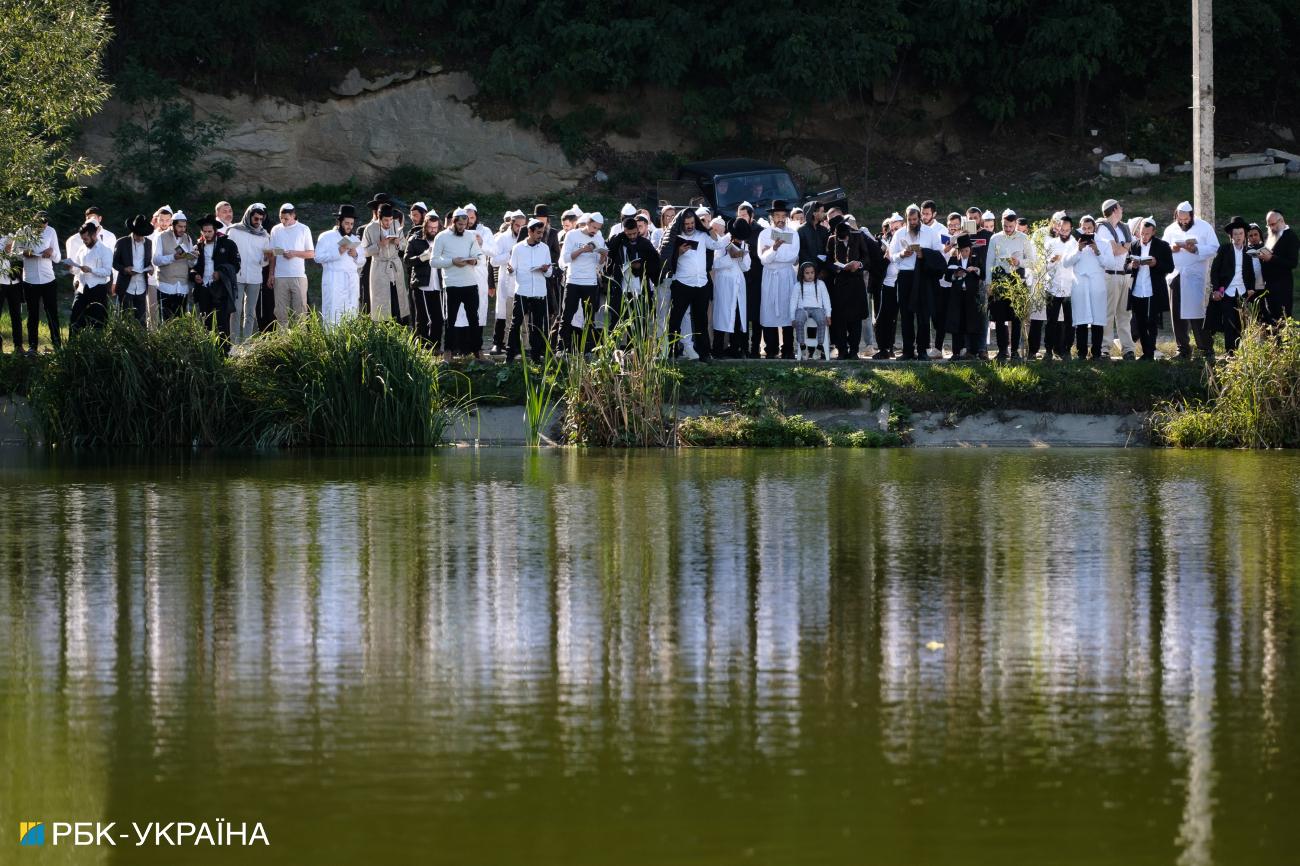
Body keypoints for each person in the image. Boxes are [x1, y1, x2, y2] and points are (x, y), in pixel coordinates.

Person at [664, 208, 725, 361]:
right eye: (686, 224)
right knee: (675, 319)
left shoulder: (702, 235)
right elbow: (666, 259)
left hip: (701, 284)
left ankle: (704, 354)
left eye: (692, 223)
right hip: (682, 284)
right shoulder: (676, 237)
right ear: (682, 224)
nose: (690, 226)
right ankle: (673, 351)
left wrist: (708, 228)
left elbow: (717, 244)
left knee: (701, 321)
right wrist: (679, 252)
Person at [1162, 201, 1220, 359]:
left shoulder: (1204, 227)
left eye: (1186, 219)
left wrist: (1196, 249)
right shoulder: (1171, 229)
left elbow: (1215, 248)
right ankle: (1183, 349)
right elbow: (1162, 249)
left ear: (1192, 216)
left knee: (1197, 314)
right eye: (1180, 219)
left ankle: (1206, 349)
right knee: (1177, 315)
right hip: (1176, 275)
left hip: (1195, 276)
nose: (1183, 222)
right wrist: (1171, 249)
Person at [431, 207, 483, 359]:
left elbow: (478, 255)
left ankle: (478, 352)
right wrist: (452, 261)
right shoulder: (441, 237)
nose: (462, 227)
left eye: (465, 225)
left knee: (474, 319)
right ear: (453, 222)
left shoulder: (470, 236)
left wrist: (473, 260)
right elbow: (434, 261)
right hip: (452, 284)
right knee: (450, 320)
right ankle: (448, 352)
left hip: (470, 283)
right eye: (459, 224)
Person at [887, 205, 936, 360]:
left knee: (923, 314)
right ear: (906, 218)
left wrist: (924, 254)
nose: (913, 222)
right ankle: (908, 350)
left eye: (915, 219)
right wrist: (902, 254)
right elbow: (892, 255)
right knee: (906, 314)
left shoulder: (930, 232)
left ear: (920, 217)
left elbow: (938, 252)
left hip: (923, 275)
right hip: (906, 276)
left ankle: (922, 350)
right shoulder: (900, 233)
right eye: (910, 220)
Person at [985, 209, 1032, 360]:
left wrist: (1019, 262)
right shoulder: (995, 238)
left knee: (1016, 317)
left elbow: (1032, 260)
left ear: (1015, 224)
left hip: (1016, 278)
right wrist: (988, 283)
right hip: (999, 277)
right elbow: (989, 262)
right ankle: (1002, 350)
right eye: (1005, 226)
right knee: (999, 317)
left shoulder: (1023, 238)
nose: (1008, 229)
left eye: (1011, 226)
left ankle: (1015, 351)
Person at [190, 214, 241, 350]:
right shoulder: (197, 247)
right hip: (203, 288)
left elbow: (236, 265)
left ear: (215, 231)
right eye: (204, 232)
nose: (207, 234)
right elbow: (192, 268)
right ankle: (209, 352)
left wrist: (221, 273)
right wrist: (195, 275)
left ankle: (225, 352)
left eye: (209, 231)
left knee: (222, 322)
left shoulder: (228, 244)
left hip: (221, 288)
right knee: (206, 321)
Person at [757, 200, 801, 359]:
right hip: (770, 276)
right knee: (769, 311)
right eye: (777, 216)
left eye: (783, 216)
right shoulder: (764, 234)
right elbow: (763, 259)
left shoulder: (793, 234)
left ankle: (788, 349)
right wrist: (774, 249)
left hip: (786, 276)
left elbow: (792, 257)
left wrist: (772, 253)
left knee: (787, 311)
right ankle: (771, 349)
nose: (780, 219)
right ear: (772, 217)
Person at [606, 216, 662, 339]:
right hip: (622, 287)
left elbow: (654, 263)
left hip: (639, 287)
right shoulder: (619, 241)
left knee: (639, 321)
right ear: (624, 231)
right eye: (629, 234)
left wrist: (642, 266)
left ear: (638, 230)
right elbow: (609, 255)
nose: (632, 236)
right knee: (617, 320)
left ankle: (636, 352)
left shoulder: (645, 243)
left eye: (634, 233)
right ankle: (614, 350)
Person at [559, 212, 608, 351]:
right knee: (567, 314)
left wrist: (603, 256)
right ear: (587, 223)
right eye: (593, 227)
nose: (595, 231)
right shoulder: (572, 235)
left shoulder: (598, 237)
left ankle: (587, 349)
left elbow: (600, 264)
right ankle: (562, 347)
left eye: (598, 228)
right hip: (573, 280)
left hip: (591, 282)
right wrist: (582, 250)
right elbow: (566, 258)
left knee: (590, 318)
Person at [1127, 217, 1174, 361]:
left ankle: (1150, 352)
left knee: (1151, 321)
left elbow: (1170, 267)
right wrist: (1132, 266)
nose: (1144, 236)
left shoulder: (1162, 246)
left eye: (1147, 234)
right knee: (1140, 321)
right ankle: (1145, 352)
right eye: (1142, 233)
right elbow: (1126, 264)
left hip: (1153, 289)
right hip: (1137, 289)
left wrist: (1156, 264)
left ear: (1153, 232)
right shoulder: (1134, 245)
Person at [1206, 216, 1254, 357]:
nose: (1238, 237)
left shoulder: (1248, 252)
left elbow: (1250, 273)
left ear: (1244, 235)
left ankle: (1238, 351)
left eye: (1240, 234)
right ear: (1231, 236)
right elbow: (1215, 270)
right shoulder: (1225, 249)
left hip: (1242, 292)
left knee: (1241, 324)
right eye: (1235, 234)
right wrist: (1216, 289)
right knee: (1228, 323)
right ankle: (1230, 353)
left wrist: (1251, 287)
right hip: (1227, 291)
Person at [506, 219, 553, 363]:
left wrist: (545, 269)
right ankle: (510, 356)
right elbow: (512, 271)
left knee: (537, 325)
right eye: (538, 233)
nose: (540, 235)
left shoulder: (544, 248)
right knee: (516, 323)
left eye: (542, 232)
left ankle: (535, 356)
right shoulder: (518, 248)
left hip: (539, 292)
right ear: (530, 232)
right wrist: (511, 270)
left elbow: (549, 272)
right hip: (522, 291)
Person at [225, 203, 273, 343]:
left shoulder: (264, 235)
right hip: (237, 277)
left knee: (250, 312)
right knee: (236, 310)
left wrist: (266, 258)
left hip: (255, 277)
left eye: (260, 219)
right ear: (248, 216)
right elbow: (228, 252)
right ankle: (234, 343)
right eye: (255, 218)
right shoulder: (234, 231)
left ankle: (246, 343)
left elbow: (264, 262)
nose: (258, 222)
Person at [1096, 198, 1136, 359]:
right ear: (1114, 210)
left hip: (1125, 274)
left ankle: (1128, 349)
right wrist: (1126, 245)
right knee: (1108, 313)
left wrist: (1124, 245)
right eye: (1120, 207)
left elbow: (1128, 246)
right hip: (1110, 275)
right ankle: (1105, 348)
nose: (1122, 209)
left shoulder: (1123, 227)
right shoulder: (1102, 228)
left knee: (1125, 314)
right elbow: (1114, 250)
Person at [18, 211, 61, 353]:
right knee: (33, 314)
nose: (42, 228)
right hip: (30, 279)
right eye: (39, 225)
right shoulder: (24, 231)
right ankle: (32, 346)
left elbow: (58, 258)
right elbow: (13, 251)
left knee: (52, 313)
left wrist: (51, 251)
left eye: (44, 225)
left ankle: (57, 346)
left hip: (48, 278)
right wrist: (24, 252)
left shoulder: (51, 231)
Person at [1065, 215, 1107, 360]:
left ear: (1094, 228)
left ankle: (1096, 353)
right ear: (1080, 228)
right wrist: (1078, 250)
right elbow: (1065, 263)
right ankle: (1081, 353)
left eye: (1089, 228)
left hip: (1096, 286)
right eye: (1084, 228)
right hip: (1080, 285)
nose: (1087, 231)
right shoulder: (1072, 243)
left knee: (1097, 321)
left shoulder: (1103, 242)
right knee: (1081, 320)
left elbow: (1110, 264)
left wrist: (1097, 251)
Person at [827, 218, 869, 359]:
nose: (842, 239)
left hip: (856, 282)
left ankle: (854, 351)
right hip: (840, 284)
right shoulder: (832, 240)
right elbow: (828, 261)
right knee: (840, 320)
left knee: (855, 320)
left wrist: (859, 264)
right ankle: (842, 350)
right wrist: (838, 269)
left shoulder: (858, 237)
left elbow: (866, 256)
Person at [708, 216, 750, 357]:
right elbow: (715, 264)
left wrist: (741, 256)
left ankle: (735, 348)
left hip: (738, 283)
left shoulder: (744, 244)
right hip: (724, 283)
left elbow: (746, 267)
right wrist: (729, 257)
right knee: (723, 314)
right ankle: (718, 349)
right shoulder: (722, 242)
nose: (739, 241)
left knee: (738, 315)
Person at [317, 205, 366, 325]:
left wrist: (355, 254)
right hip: (334, 279)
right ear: (339, 222)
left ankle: (349, 341)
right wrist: (338, 251)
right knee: (333, 311)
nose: (349, 226)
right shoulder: (326, 237)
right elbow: (318, 257)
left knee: (351, 310)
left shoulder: (355, 239)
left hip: (351, 280)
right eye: (346, 223)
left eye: (351, 223)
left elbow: (362, 261)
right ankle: (332, 341)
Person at [363, 203, 410, 326]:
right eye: (385, 220)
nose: (388, 223)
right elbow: (364, 252)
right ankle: (383, 331)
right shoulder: (370, 228)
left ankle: (400, 327)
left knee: (398, 299)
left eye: (390, 219)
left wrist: (398, 242)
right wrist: (379, 245)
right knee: (381, 301)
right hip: (379, 267)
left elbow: (405, 245)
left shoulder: (396, 224)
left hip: (395, 266)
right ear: (379, 218)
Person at [268, 203, 313, 326]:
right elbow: (272, 254)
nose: (283, 221)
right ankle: (283, 341)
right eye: (280, 218)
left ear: (293, 216)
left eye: (286, 218)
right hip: (280, 276)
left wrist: (294, 253)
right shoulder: (276, 229)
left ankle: (300, 342)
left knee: (301, 313)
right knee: (281, 313)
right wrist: (271, 274)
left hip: (298, 276)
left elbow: (311, 253)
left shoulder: (304, 229)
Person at [404, 213, 445, 349]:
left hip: (438, 284)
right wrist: (422, 257)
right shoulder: (415, 240)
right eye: (430, 227)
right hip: (421, 284)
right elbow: (407, 261)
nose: (433, 230)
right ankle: (422, 349)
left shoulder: (442, 240)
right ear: (425, 227)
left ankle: (435, 348)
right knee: (422, 319)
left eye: (435, 227)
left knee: (438, 318)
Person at [67, 221, 115, 333]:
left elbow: (107, 271)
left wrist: (91, 270)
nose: (84, 241)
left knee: (98, 322)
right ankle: (72, 347)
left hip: (98, 290)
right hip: (82, 289)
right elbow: (77, 269)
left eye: (86, 239)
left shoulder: (105, 250)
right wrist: (71, 268)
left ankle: (96, 348)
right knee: (75, 319)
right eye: (82, 239)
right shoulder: (82, 249)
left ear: (94, 235)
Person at [945, 233, 986, 359]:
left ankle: (972, 351)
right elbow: (947, 276)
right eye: (962, 251)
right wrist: (955, 275)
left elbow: (983, 274)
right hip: (957, 296)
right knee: (957, 323)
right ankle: (956, 352)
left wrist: (976, 270)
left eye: (967, 250)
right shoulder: (954, 259)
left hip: (971, 296)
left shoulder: (975, 258)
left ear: (970, 249)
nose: (965, 253)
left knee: (972, 323)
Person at [490, 210, 525, 353]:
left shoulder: (527, 238)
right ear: (511, 224)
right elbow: (493, 261)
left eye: (523, 227)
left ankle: (518, 345)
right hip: (506, 281)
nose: (520, 229)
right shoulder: (502, 239)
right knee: (502, 312)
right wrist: (510, 254)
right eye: (517, 226)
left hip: (522, 281)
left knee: (520, 315)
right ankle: (498, 343)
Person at [1041, 213, 1076, 360]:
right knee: (1051, 321)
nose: (1064, 233)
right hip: (1053, 287)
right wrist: (1052, 260)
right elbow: (1045, 265)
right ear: (1058, 228)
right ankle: (1048, 350)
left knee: (1070, 322)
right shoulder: (1051, 243)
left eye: (1067, 230)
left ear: (1071, 229)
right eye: (1062, 230)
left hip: (1070, 288)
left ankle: (1067, 350)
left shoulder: (1075, 243)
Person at [65, 207, 116, 299]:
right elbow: (73, 266)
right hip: (81, 283)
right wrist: (70, 268)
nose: (91, 221)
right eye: (88, 218)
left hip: (103, 283)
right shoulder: (74, 240)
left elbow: (112, 264)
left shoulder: (110, 237)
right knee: (78, 311)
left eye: (94, 218)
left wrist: (115, 281)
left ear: (100, 219)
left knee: (99, 310)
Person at [112, 215, 153, 326]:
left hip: (141, 286)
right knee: (124, 318)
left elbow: (148, 262)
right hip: (126, 286)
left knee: (141, 320)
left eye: (142, 235)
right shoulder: (122, 242)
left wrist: (150, 268)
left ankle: (141, 342)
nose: (140, 237)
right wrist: (125, 269)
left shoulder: (149, 243)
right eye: (138, 234)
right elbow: (114, 263)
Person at [153, 210, 193, 321]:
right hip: (166, 285)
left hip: (182, 286)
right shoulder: (160, 237)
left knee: (180, 321)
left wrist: (194, 257)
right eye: (180, 226)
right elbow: (156, 260)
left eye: (184, 227)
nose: (182, 229)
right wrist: (173, 257)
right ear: (173, 225)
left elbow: (190, 263)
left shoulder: (188, 238)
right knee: (165, 321)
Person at [1259, 210, 1297, 324]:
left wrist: (1271, 258)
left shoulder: (1290, 237)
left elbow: (1292, 263)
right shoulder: (1271, 236)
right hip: (1269, 286)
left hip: (1282, 288)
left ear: (1281, 221)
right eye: (1268, 225)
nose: (1271, 228)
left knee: (1282, 320)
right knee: (1271, 321)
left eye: (1273, 224)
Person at [789, 261, 831, 361]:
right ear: (802, 274)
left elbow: (826, 300)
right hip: (802, 309)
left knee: (822, 320)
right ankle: (803, 347)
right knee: (799, 321)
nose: (810, 275)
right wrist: (792, 318)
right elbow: (793, 302)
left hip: (817, 309)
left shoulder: (821, 284)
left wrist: (828, 315)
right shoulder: (798, 285)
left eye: (812, 272)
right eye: (807, 273)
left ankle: (819, 347)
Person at [146, 205, 173, 328]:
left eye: (167, 220)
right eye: (161, 220)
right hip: (153, 280)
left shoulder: (176, 236)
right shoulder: (150, 236)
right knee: (153, 311)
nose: (164, 223)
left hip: (171, 279)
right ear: (157, 220)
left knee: (169, 312)